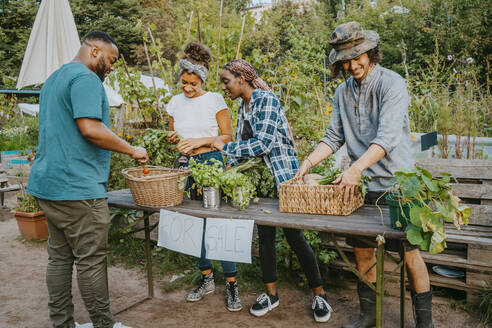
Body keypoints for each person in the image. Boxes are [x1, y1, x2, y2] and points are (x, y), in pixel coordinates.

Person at [295, 22, 434, 328]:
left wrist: (355, 168)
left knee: (410, 256)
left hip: (401, 187)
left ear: (371, 53)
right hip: (364, 188)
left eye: (358, 56)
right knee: (362, 253)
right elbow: (333, 136)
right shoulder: (342, 93)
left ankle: (425, 323)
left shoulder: (392, 84)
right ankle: (368, 316)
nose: (353, 64)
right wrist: (307, 162)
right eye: (346, 59)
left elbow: (386, 138)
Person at [26, 31, 149, 328]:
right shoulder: (85, 79)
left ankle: (63, 324)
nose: (112, 67)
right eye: (111, 59)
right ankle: (104, 324)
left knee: (59, 258)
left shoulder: (55, 79)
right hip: (77, 188)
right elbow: (90, 128)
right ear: (95, 51)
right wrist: (132, 149)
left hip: (49, 185)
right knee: (91, 261)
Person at [212, 59, 333, 323]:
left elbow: (263, 144)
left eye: (226, 81)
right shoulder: (243, 107)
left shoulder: (265, 100)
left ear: (241, 79)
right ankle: (271, 295)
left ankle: (320, 294)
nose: (224, 87)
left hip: (282, 179)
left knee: (295, 237)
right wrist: (231, 166)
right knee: (265, 238)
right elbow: (246, 145)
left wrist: (226, 149)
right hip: (261, 184)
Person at [165, 42, 240, 312]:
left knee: (219, 224)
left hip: (212, 163)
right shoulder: (174, 103)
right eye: (184, 82)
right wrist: (176, 140)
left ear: (203, 79)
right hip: (186, 166)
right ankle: (206, 278)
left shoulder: (215, 101)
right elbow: (175, 138)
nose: (187, 88)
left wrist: (200, 141)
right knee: (195, 225)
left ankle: (231, 283)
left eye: (193, 84)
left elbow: (227, 137)